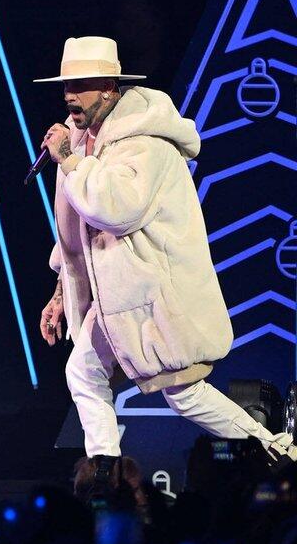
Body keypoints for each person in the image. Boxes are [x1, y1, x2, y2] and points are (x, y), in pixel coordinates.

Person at [36, 35, 295, 472]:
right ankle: (105, 472)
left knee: (185, 393)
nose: (69, 96)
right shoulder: (80, 142)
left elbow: (115, 210)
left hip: (152, 291)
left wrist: (71, 162)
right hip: (115, 294)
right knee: (83, 372)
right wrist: (62, 292)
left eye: (80, 85)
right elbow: (76, 229)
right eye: (66, 86)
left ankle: (274, 450)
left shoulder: (145, 143)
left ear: (109, 88)